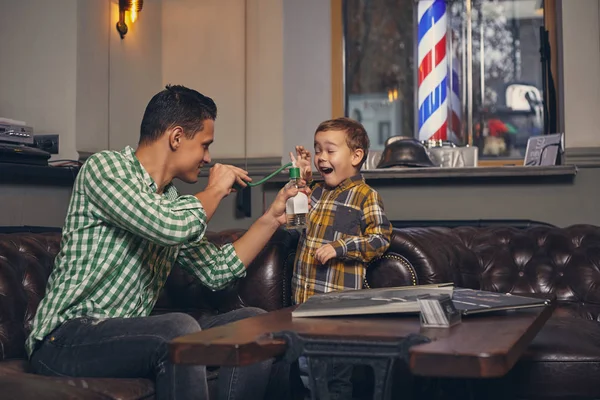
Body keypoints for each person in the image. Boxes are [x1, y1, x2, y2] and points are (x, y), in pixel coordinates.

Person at [26, 84, 296, 400]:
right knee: (178, 331)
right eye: (205, 145)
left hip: (124, 335)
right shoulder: (105, 169)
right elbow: (168, 226)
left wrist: (272, 219)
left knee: (253, 324)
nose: (208, 158)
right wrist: (216, 190)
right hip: (65, 339)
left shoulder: (169, 199)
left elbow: (217, 270)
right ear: (177, 137)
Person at [292, 117, 393, 399]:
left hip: (338, 312)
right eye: (317, 150)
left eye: (330, 150)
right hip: (303, 307)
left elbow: (380, 237)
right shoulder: (315, 192)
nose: (321, 157)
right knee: (306, 378)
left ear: (356, 155)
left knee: (335, 382)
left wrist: (341, 247)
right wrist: (298, 179)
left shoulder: (365, 196)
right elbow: (294, 220)